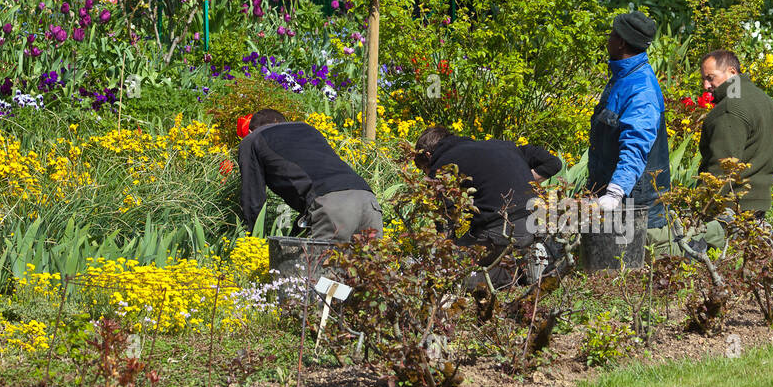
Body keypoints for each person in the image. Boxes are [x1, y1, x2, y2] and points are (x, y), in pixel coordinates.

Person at [413, 125, 563, 260]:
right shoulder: (502, 145)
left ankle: (519, 268)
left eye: (424, 169)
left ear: (428, 155)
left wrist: (440, 253)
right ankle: (530, 258)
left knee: (458, 268)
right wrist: (524, 179)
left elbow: (446, 220)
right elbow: (553, 163)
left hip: (502, 229)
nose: (426, 174)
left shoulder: (440, 166)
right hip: (538, 223)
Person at [237, 108, 382, 241]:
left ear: (251, 130)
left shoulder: (252, 139)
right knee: (371, 268)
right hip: (368, 200)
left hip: (332, 208)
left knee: (320, 268)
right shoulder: (307, 129)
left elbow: (253, 199)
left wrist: (253, 239)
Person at [587, 12, 671, 231]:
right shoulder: (624, 77)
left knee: (627, 264)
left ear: (621, 42)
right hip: (613, 194)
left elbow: (636, 145)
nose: (608, 39)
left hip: (635, 203)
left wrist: (615, 192)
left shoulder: (641, 90)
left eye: (612, 34)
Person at [699, 50, 773, 216]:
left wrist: (702, 209)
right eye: (703, 79)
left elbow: (721, 167)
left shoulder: (730, 108)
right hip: (759, 203)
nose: (706, 86)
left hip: (731, 206)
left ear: (732, 72)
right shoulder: (767, 101)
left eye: (710, 77)